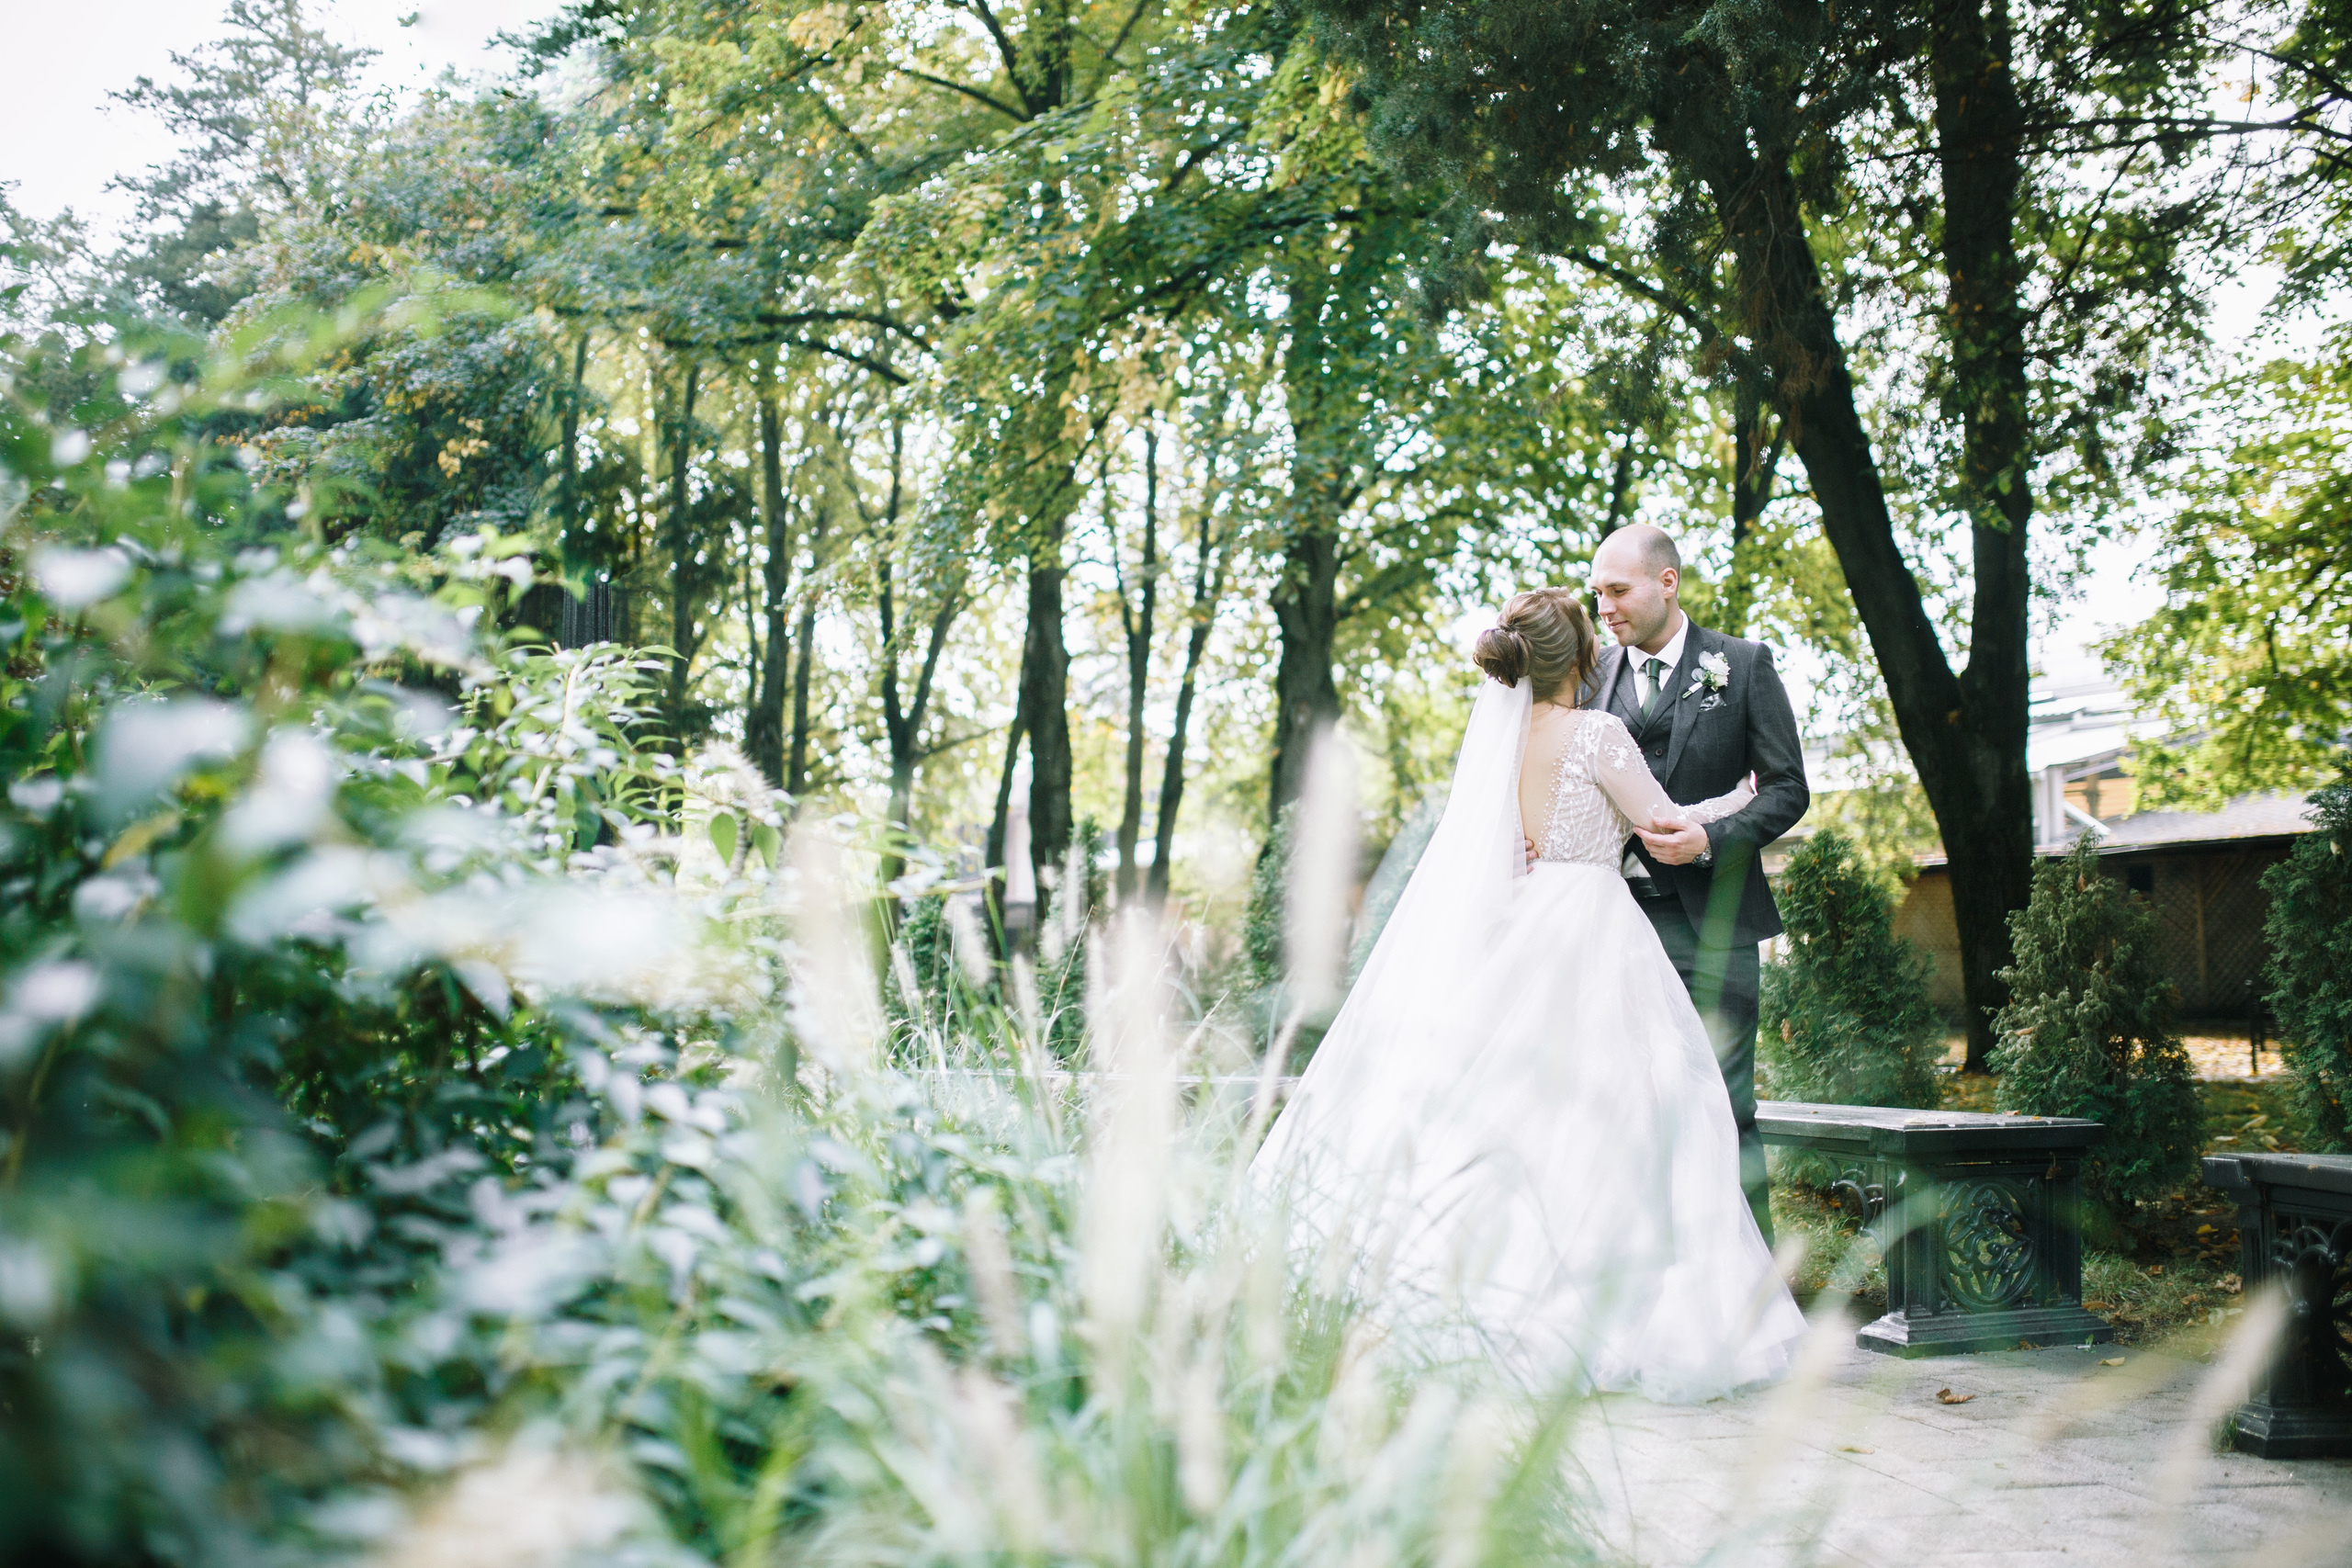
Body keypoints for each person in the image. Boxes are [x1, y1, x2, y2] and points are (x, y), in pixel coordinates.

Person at [1250, 587, 1804, 1400]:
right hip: (1595, 930)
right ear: (1585, 657)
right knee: (1641, 1114)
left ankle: (1497, 1301)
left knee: (1524, 1117)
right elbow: (1661, 826)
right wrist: (1741, 800)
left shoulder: (1499, 750)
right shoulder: (1599, 733)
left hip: (1526, 929)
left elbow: (1504, 854)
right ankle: (1625, 1311)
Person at [1586, 525, 1810, 1246]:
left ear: (1668, 582)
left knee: (1724, 1101)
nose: (1606, 608)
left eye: (1618, 591)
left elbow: (1787, 789)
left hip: (1714, 926)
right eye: (1597, 594)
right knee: (1624, 1106)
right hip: (1611, 929)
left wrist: (1712, 837)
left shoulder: (1742, 665)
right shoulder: (1591, 676)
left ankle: (1754, 1292)